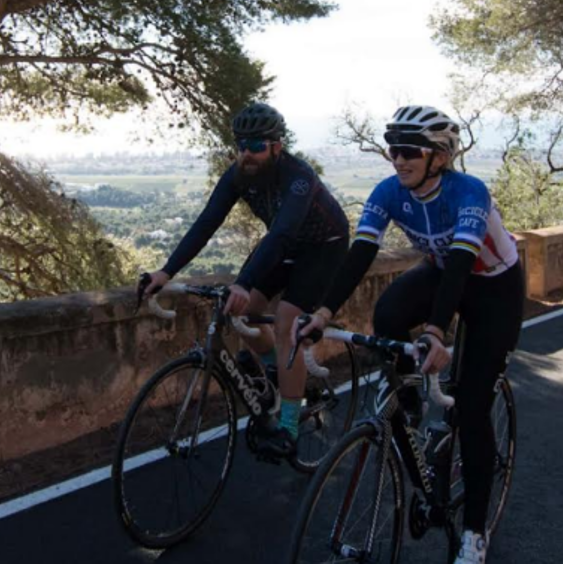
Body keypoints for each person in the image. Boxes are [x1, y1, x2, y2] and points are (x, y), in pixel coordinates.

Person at [295, 105, 524, 564]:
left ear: (438, 156)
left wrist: (437, 332)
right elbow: (359, 255)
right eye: (391, 150)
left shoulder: (469, 193)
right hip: (442, 273)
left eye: (407, 151)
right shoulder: (388, 192)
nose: (397, 160)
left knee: (473, 409)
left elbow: (463, 265)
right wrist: (321, 313)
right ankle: (412, 405)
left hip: (494, 288)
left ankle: (474, 533)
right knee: (388, 313)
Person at [141, 102, 349, 461]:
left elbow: (283, 232)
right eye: (241, 145)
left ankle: (289, 426)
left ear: (276, 147)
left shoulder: (299, 176)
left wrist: (244, 280)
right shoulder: (238, 174)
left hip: (322, 248)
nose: (247, 153)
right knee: (247, 312)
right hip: (281, 247)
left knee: (286, 322)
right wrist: (166, 271)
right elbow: (206, 223)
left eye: (256, 146)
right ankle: (275, 369)